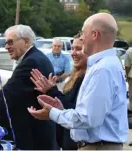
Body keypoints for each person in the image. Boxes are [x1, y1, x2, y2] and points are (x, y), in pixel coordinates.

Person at [28, 13, 128, 150]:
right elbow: (90, 114)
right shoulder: (106, 65)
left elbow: (88, 118)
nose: (81, 37)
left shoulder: (102, 69)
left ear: (94, 35)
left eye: (83, 32)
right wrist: (61, 109)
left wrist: (52, 113)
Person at [0, 24, 58, 150]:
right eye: (6, 43)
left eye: (10, 42)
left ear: (26, 41)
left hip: (31, 139)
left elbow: (7, 95)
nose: (6, 46)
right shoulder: (34, 58)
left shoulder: (31, 62)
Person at [30, 33, 86, 150]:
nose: (73, 53)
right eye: (72, 48)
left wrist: (52, 93)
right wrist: (50, 91)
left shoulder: (87, 77)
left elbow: (75, 111)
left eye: (79, 49)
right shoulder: (77, 73)